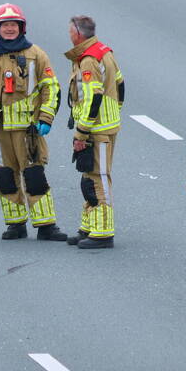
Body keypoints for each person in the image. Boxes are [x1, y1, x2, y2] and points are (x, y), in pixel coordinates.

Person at [0, 4, 67, 241]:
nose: (9, 29)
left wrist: (46, 118)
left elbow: (50, 88)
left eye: (13, 25)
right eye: (4, 25)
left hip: (27, 129)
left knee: (34, 176)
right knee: (5, 177)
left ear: (21, 28)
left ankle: (46, 225)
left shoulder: (36, 55)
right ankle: (15, 224)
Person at [65, 15, 123, 249]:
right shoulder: (103, 51)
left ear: (77, 33)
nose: (69, 35)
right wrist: (115, 112)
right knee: (88, 175)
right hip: (104, 125)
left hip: (95, 128)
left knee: (98, 178)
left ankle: (103, 232)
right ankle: (88, 226)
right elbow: (120, 84)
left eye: (70, 31)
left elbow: (93, 97)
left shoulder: (89, 59)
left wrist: (82, 131)